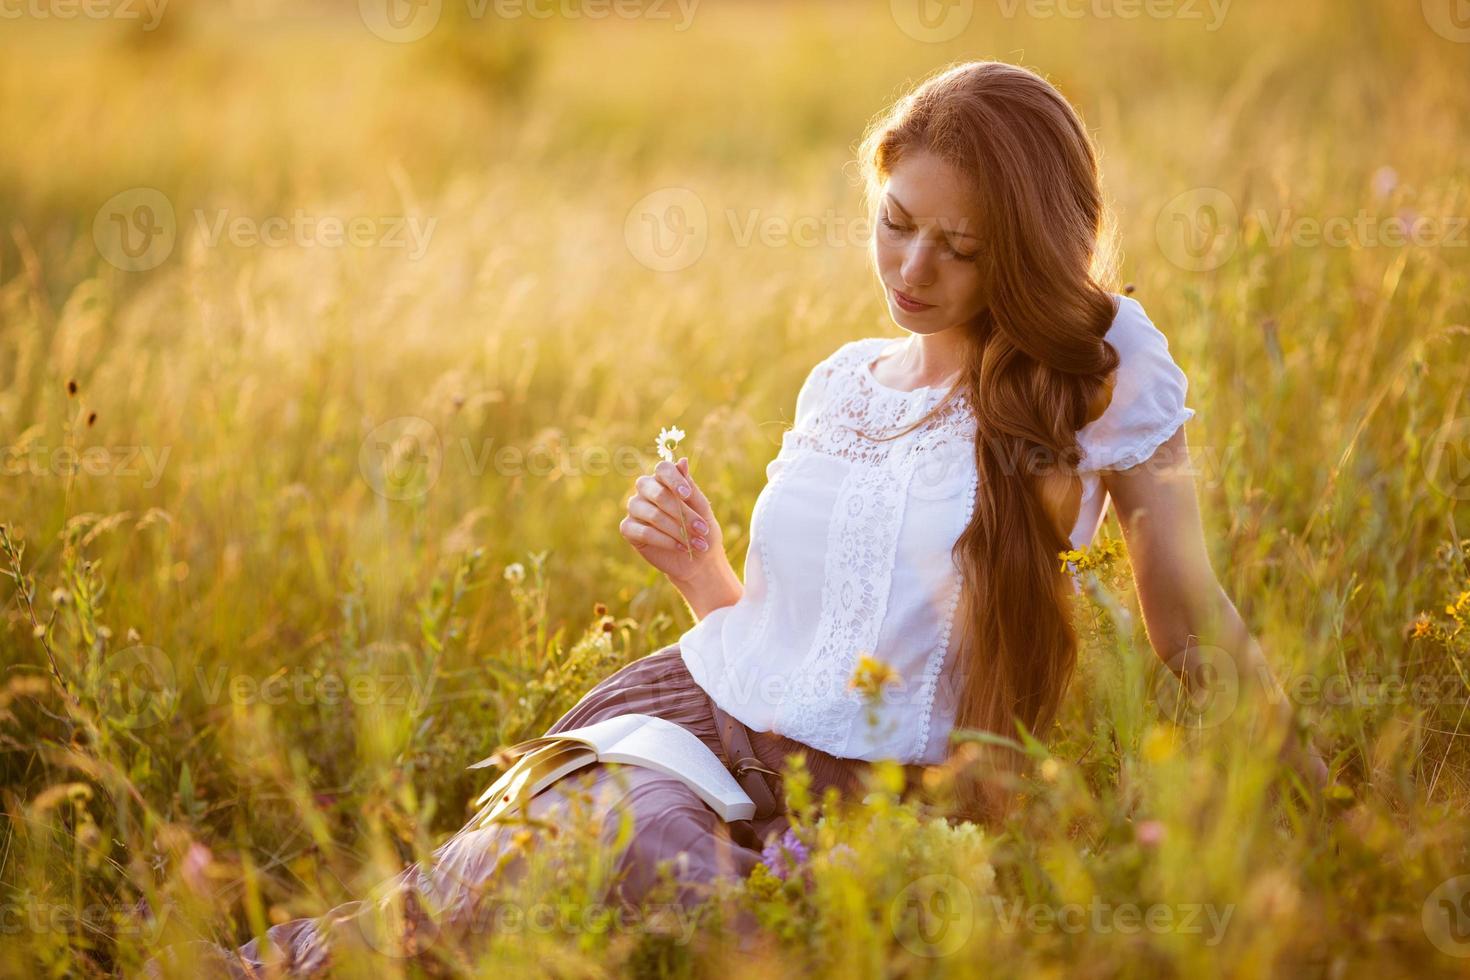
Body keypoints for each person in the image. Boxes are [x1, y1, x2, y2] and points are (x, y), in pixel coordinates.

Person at [147, 58, 1328, 978]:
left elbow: (1187, 617)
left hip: (874, 791)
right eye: (894, 221)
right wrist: (701, 567)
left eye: (959, 246)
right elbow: (781, 645)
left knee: (629, 863)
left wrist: (1324, 805)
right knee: (545, 845)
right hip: (708, 714)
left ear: (1021, 247)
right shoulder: (844, 381)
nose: (912, 267)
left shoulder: (1102, 368)